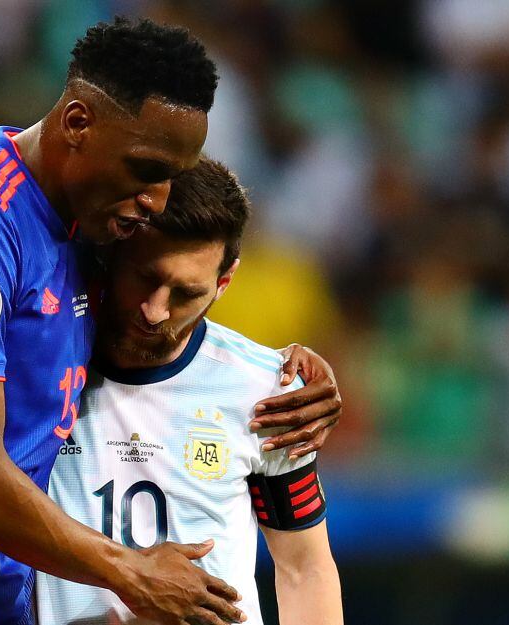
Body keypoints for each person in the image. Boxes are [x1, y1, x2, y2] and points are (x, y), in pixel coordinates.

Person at [0, 17, 342, 625]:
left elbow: (153, 329)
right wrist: (130, 571)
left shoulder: (85, 222)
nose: (156, 200)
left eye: (170, 178)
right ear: (77, 123)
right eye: (145, 170)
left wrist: (285, 370)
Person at [37, 159, 342, 625]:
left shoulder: (266, 389)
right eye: (146, 278)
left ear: (223, 283)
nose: (155, 311)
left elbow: (304, 568)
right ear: (112, 253)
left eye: (185, 293)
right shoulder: (34, 368)